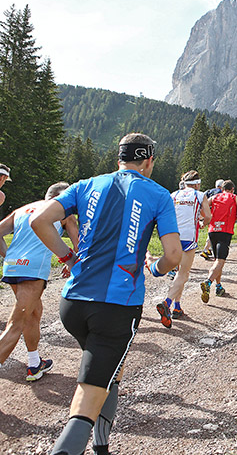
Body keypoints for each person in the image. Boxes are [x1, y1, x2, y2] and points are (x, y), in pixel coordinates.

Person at [29, 133, 182, 455]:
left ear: (119, 159)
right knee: (88, 396)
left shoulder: (86, 184)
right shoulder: (157, 194)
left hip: (72, 303)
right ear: (149, 161)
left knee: (110, 372)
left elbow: (39, 220)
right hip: (116, 307)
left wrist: (67, 257)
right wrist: (153, 270)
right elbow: (173, 256)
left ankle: (102, 447)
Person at [0, 182, 79, 381]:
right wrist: (70, 259)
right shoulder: (62, 211)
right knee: (15, 325)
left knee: (33, 313)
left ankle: (34, 364)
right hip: (32, 271)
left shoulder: (23, 209)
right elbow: (80, 243)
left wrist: (9, 255)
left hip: (12, 267)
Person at [156, 170, 211, 327]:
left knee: (178, 273)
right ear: (197, 183)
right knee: (184, 274)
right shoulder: (200, 195)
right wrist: (201, 223)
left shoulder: (173, 195)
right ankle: (167, 303)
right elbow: (208, 216)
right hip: (188, 236)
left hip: (172, 235)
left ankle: (177, 307)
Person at [201, 180, 237, 302]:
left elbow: (202, 210)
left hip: (213, 230)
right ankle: (208, 282)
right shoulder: (235, 198)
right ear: (232, 189)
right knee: (220, 261)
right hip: (225, 231)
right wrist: (231, 218)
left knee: (216, 260)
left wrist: (207, 218)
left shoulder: (214, 197)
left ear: (222, 189)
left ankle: (218, 287)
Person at [199, 179, 224, 261]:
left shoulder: (208, 191)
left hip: (206, 213)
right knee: (214, 231)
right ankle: (205, 250)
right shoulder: (220, 193)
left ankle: (208, 249)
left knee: (211, 231)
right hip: (215, 214)